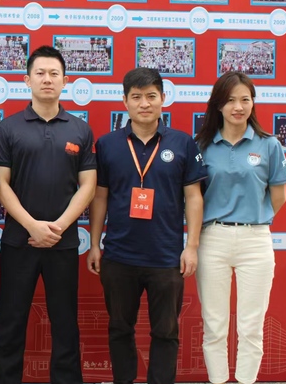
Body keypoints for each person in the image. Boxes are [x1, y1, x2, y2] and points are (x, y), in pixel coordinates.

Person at [87, 67, 206, 384]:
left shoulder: (182, 143)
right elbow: (100, 197)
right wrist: (95, 244)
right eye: (136, 97)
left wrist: (191, 247)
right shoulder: (108, 144)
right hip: (119, 256)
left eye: (151, 96)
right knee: (119, 329)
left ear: (163, 98)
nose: (144, 103)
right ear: (124, 101)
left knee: (166, 332)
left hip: (166, 257)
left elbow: (193, 197)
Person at [0, 46, 97, 384]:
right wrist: (31, 226)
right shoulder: (9, 128)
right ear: (27, 80)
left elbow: (88, 186)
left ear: (65, 81)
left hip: (62, 243)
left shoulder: (80, 129)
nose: (47, 79)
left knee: (65, 324)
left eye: (54, 74)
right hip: (18, 241)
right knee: (10, 323)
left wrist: (58, 227)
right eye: (40, 73)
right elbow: (0, 185)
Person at [194, 71, 286, 384]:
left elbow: (278, 196)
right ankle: (218, 380)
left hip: (255, 241)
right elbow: (193, 198)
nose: (238, 107)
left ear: (253, 103)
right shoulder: (202, 145)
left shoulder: (269, 145)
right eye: (230, 100)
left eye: (245, 100)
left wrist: (254, 217)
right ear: (218, 105)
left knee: (251, 327)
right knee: (214, 326)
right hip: (213, 239)